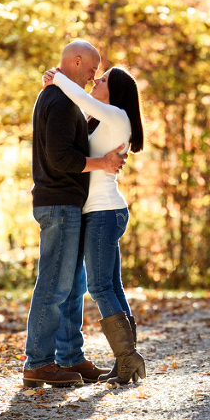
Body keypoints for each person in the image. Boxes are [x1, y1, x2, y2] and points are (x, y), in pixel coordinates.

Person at [23, 40, 127, 388]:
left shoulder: (57, 97)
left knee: (70, 286)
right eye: (92, 69)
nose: (93, 76)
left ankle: (70, 357)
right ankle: (38, 362)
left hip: (67, 203)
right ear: (77, 61)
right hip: (60, 203)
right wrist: (102, 163)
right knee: (55, 285)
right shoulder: (61, 99)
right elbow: (60, 158)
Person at [42, 63, 146, 385]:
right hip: (103, 212)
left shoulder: (117, 116)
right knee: (111, 286)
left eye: (102, 79)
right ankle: (125, 359)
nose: (95, 81)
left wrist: (57, 78)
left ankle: (128, 360)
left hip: (103, 213)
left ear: (114, 92)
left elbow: (81, 99)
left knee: (100, 286)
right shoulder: (104, 120)